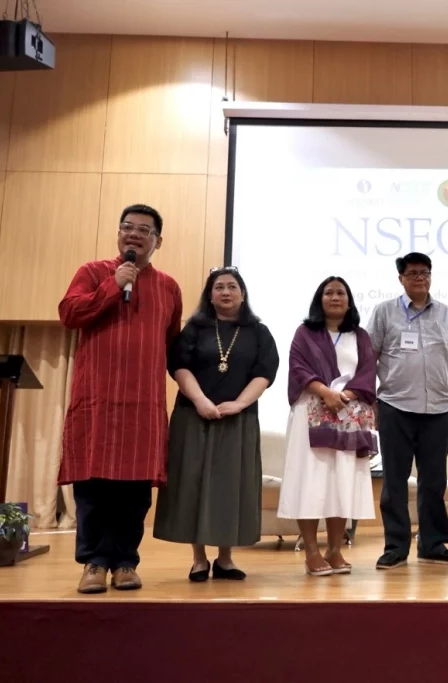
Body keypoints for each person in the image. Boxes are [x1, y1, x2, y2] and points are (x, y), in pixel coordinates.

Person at [58, 204, 183, 594]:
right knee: (93, 485)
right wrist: (113, 285)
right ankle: (94, 563)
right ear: (118, 235)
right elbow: (69, 313)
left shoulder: (168, 287)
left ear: (157, 241)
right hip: (97, 399)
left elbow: (173, 346)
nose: (134, 235)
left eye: (144, 230)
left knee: (134, 489)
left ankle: (125, 562)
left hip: (143, 403)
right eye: (127, 227)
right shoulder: (93, 272)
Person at [153, 267, 279, 581]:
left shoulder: (258, 332)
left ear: (243, 293)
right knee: (192, 484)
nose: (226, 292)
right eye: (219, 287)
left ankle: (225, 558)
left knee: (229, 487)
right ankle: (198, 559)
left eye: (232, 286)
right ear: (210, 295)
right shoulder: (195, 328)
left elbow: (264, 373)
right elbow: (179, 366)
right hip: (193, 417)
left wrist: (239, 403)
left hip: (239, 420)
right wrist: (200, 401)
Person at [368, 252, 448, 570]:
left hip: (439, 409)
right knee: (395, 482)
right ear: (401, 278)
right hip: (395, 406)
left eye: (425, 272)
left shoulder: (447, 314)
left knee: (434, 481)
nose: (420, 278)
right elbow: (370, 358)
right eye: (413, 273)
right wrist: (372, 401)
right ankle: (396, 546)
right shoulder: (384, 313)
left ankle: (432, 544)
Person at [278, 276, 378, 576]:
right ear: (319, 299)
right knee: (311, 481)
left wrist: (344, 395)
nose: (335, 297)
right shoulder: (305, 332)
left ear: (349, 301)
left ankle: (335, 550)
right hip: (311, 412)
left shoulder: (360, 335)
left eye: (341, 293)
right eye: (329, 293)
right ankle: (311, 552)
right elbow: (297, 367)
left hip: (349, 414)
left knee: (341, 482)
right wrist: (326, 393)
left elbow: (367, 371)